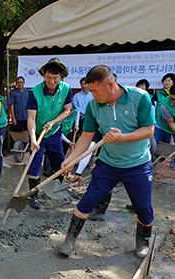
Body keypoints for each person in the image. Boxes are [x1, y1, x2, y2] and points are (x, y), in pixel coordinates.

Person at [59, 65, 155, 259]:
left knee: (144, 207)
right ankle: (69, 240)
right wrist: (70, 159)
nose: (92, 95)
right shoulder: (93, 106)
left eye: (95, 90)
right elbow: (86, 136)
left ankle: (142, 241)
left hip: (137, 163)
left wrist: (123, 137)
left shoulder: (140, 98)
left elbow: (148, 131)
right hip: (108, 163)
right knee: (86, 201)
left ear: (111, 85)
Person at [26, 57, 72, 209]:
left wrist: (53, 123)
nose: (51, 81)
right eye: (48, 78)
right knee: (35, 162)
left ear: (61, 77)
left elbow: (67, 111)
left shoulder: (66, 89)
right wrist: (33, 139)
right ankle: (33, 195)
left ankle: (55, 188)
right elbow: (31, 118)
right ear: (43, 75)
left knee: (58, 160)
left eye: (55, 78)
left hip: (54, 131)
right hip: (37, 131)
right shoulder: (34, 93)